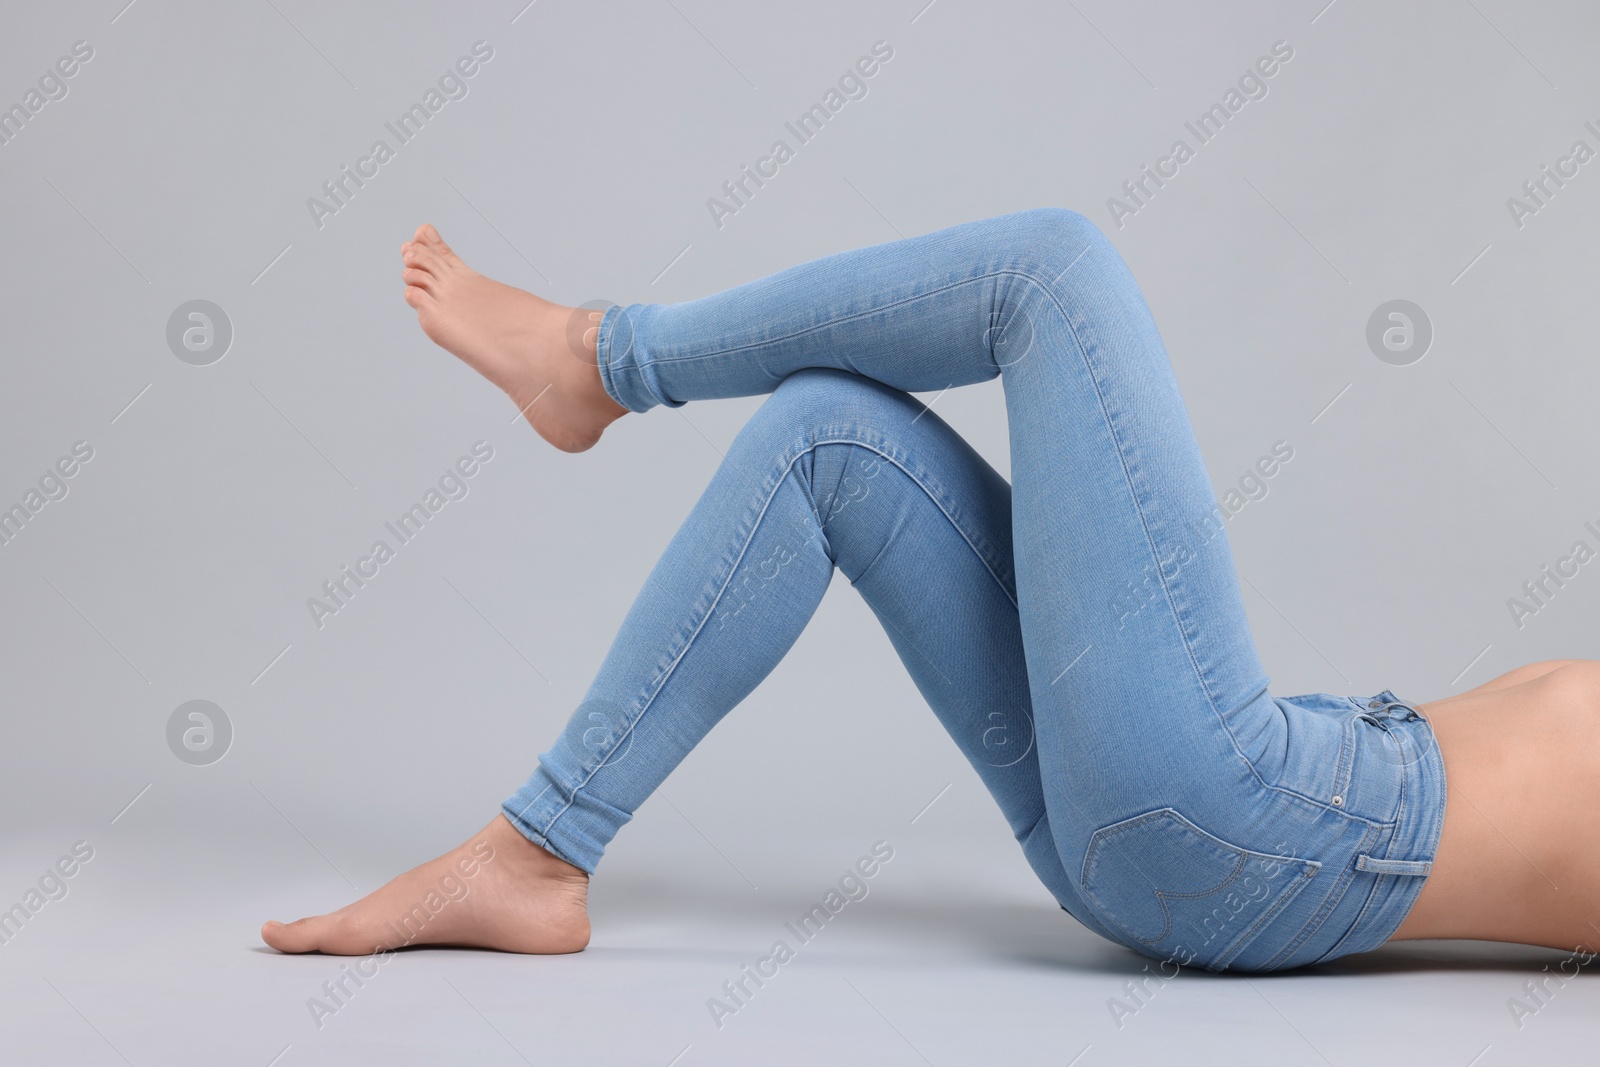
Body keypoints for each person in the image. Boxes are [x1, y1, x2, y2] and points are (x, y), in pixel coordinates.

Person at [262, 208, 1600, 972]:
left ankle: (598, 359)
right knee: (827, 438)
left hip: (1244, 823)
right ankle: (538, 851)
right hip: (1211, 821)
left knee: (1052, 273)